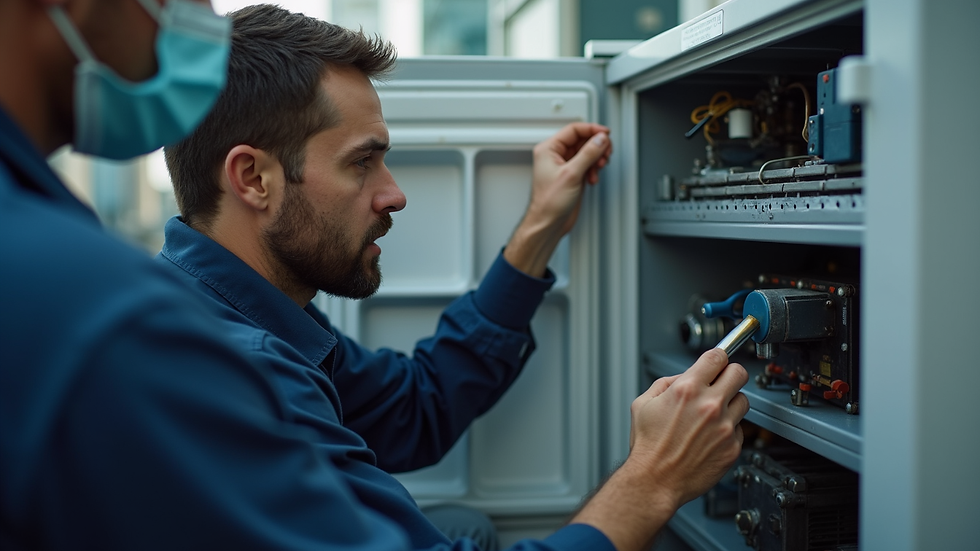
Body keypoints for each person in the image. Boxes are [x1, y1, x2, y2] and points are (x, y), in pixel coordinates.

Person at [0, 1, 750, 551]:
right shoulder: (213, 350)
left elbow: (415, 407)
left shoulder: (248, 311)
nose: (393, 192)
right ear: (254, 178)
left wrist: (535, 235)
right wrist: (651, 480)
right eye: (364, 160)